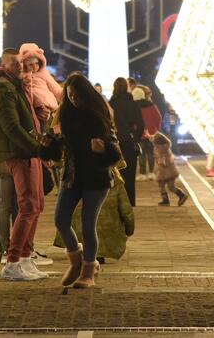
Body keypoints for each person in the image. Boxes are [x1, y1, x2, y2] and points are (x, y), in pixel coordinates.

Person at [42, 72, 122, 289]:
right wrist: (48, 146)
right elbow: (57, 148)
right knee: (61, 220)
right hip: (72, 176)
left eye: (77, 95)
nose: (74, 99)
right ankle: (76, 261)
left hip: (96, 177)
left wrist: (103, 149)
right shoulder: (64, 116)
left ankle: (89, 269)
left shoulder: (98, 116)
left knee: (88, 224)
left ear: (85, 95)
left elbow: (115, 153)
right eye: (69, 95)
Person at [0, 47, 46, 282]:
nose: (20, 66)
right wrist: (36, 147)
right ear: (4, 65)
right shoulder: (2, 90)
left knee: (37, 204)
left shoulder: (15, 86)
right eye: (14, 63)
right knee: (28, 205)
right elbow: (11, 128)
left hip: (28, 151)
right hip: (19, 154)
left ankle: (24, 258)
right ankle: (12, 262)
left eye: (20, 62)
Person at [54, 166, 134, 265]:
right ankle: (94, 258)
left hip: (76, 232)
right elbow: (126, 211)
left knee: (82, 221)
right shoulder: (115, 182)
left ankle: (80, 255)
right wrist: (129, 230)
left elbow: (63, 217)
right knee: (93, 223)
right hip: (106, 234)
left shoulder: (72, 178)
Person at [109, 77, 144, 206]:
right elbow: (140, 124)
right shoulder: (133, 104)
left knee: (115, 172)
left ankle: (117, 202)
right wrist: (136, 138)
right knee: (129, 173)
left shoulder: (111, 104)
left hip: (114, 142)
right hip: (129, 142)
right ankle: (130, 201)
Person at [18, 42, 63, 130]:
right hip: (33, 110)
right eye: (31, 64)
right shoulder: (21, 76)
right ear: (24, 64)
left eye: (37, 63)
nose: (34, 67)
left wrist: (64, 96)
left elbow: (55, 88)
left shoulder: (44, 73)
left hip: (49, 107)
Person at [153, 132, 189, 206]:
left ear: (158, 143)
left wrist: (160, 163)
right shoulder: (165, 148)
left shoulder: (161, 150)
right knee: (169, 186)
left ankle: (168, 199)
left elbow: (164, 161)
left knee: (165, 186)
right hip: (169, 171)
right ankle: (179, 196)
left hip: (165, 171)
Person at [133, 86, 161, 180]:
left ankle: (142, 173)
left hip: (139, 133)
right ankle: (151, 173)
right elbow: (158, 118)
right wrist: (155, 128)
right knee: (150, 153)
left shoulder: (134, 106)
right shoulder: (152, 105)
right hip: (151, 133)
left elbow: (133, 121)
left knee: (141, 154)